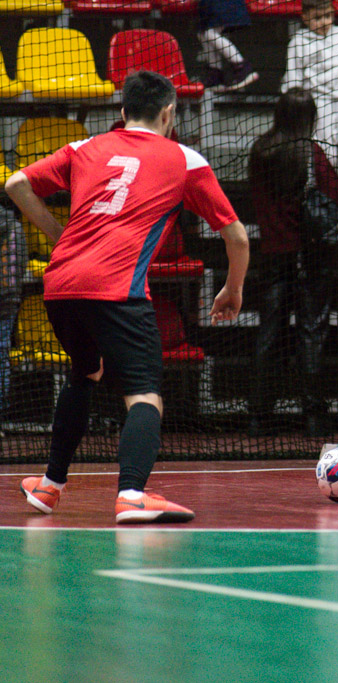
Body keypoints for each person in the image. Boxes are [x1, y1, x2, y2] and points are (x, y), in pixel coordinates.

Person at [6, 71, 250, 523]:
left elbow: (16, 184)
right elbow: (236, 236)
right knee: (144, 395)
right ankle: (133, 494)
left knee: (86, 373)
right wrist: (232, 289)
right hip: (117, 288)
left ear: (122, 112)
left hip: (60, 286)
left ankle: (49, 485)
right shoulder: (185, 159)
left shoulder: (85, 147)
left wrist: (60, 236)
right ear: (169, 113)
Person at [247, 88, 338, 438]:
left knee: (269, 332)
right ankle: (313, 416)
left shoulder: (261, 150)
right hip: (311, 255)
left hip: (273, 254)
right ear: (310, 117)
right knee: (312, 332)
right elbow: (337, 195)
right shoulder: (311, 153)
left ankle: (259, 416)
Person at [282, 0, 338, 199]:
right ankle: (325, 197)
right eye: (317, 18)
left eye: (328, 16)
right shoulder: (298, 41)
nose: (324, 22)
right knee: (324, 150)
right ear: (305, 17)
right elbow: (293, 79)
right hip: (318, 103)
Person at [0, 196, 25, 433]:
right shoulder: (13, 224)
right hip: (8, 300)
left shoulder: (11, 227)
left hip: (5, 302)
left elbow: (12, 270)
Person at [197, 0, 260, 92]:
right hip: (209, 5)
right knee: (202, 34)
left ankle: (242, 67)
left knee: (210, 33)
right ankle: (215, 75)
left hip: (224, 4)